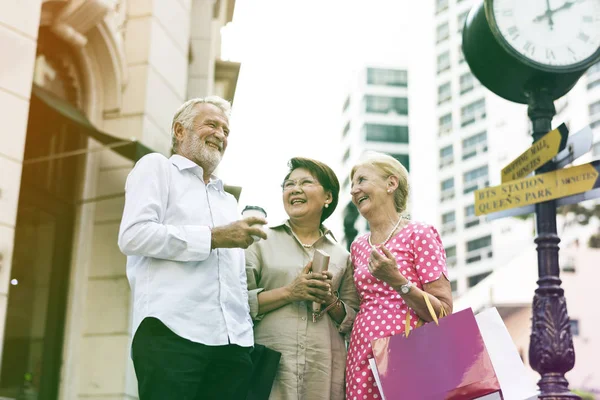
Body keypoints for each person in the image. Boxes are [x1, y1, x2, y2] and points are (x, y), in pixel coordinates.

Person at [118, 96, 267, 400]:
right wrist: (212, 237)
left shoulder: (228, 200)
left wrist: (244, 338)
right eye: (212, 124)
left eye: (226, 130)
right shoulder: (157, 168)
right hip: (171, 333)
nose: (221, 135)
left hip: (232, 345)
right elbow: (133, 235)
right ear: (179, 131)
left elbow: (235, 278)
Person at [245, 157, 360, 400]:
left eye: (306, 182)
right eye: (289, 184)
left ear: (328, 197)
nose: (295, 189)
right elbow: (237, 304)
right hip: (267, 372)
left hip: (323, 374)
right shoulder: (259, 243)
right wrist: (291, 292)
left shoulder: (342, 256)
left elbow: (352, 319)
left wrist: (329, 297)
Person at [345, 151, 453, 400]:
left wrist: (397, 280)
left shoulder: (420, 234)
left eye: (361, 180)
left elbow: (444, 312)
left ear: (391, 184)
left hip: (409, 355)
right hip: (362, 356)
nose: (353, 191)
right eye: (351, 185)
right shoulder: (358, 246)